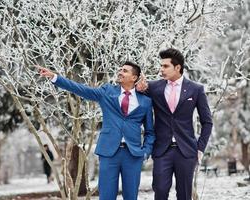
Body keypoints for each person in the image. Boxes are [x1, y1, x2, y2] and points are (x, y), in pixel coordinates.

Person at [37, 61, 155, 200]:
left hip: (133, 154)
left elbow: (150, 131)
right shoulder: (107, 92)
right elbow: (81, 89)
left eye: (125, 71)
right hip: (108, 153)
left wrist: (146, 151)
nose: (120, 72)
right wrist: (55, 77)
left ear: (134, 77)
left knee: (131, 197)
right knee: (106, 196)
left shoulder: (145, 101)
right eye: (120, 69)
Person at [136, 48, 213, 200]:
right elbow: (135, 99)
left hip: (186, 151)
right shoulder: (153, 87)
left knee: (184, 195)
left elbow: (207, 122)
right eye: (161, 66)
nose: (161, 70)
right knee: (160, 191)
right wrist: (139, 89)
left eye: (165, 66)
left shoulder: (196, 89)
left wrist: (200, 148)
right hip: (162, 151)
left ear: (177, 67)